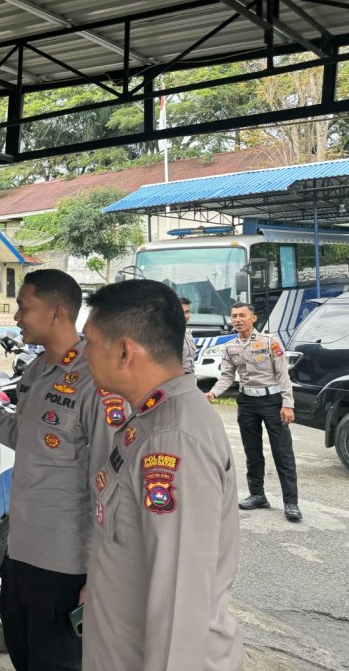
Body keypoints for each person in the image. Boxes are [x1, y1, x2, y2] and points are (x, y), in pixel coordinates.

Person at [0, 269, 123, 671]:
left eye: (25, 308)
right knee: (24, 656)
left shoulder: (94, 383)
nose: (17, 317)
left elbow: (111, 485)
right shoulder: (37, 370)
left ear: (57, 312)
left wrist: (100, 574)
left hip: (66, 565)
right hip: (20, 552)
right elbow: (24, 436)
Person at [81, 279, 242, 671]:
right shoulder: (150, 419)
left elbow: (180, 603)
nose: (82, 354)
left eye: (88, 341)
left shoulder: (173, 440)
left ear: (124, 351)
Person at [205, 302, 301, 522]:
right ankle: (257, 495)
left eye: (241, 315)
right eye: (233, 316)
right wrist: (213, 393)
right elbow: (227, 376)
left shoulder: (269, 341)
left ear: (253, 318)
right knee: (252, 451)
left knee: (282, 452)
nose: (237, 320)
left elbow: (282, 374)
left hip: (273, 401)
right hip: (247, 401)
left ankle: (291, 502)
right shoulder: (230, 347)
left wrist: (288, 403)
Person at [180, 296, 196, 374]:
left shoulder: (188, 335)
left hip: (190, 379)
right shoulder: (166, 336)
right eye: (181, 312)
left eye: (187, 312)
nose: (185, 316)